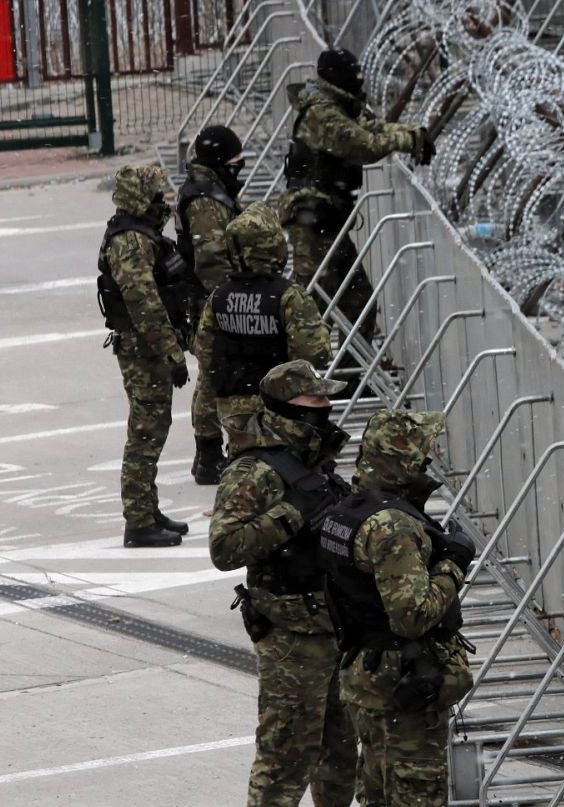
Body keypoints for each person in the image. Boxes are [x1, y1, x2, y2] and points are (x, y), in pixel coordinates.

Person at [209, 360, 357, 807]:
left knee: (342, 750)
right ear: (289, 410)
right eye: (317, 405)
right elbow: (224, 549)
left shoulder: (316, 463)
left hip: (337, 627)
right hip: (291, 635)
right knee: (286, 753)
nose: (328, 413)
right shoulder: (255, 473)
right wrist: (293, 513)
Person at [315, 410, 475, 807]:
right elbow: (413, 615)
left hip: (366, 674)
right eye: (423, 451)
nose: (431, 457)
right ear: (405, 461)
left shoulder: (350, 510)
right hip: (400, 682)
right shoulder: (392, 527)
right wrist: (452, 564)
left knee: (379, 801)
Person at [282, 47, 431, 362]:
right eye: (355, 74)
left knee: (358, 300)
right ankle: (299, 380)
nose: (360, 79)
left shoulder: (340, 103)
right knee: (312, 309)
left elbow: (374, 128)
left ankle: (347, 378)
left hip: (329, 218)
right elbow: (365, 145)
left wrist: (413, 133)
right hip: (312, 221)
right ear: (338, 77)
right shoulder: (323, 112)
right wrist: (407, 141)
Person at [96, 163, 193, 548]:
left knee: (154, 427)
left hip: (145, 347)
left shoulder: (139, 234)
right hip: (144, 350)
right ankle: (138, 521)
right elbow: (145, 305)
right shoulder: (131, 243)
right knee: (144, 434)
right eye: (155, 193)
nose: (161, 199)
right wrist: (173, 354)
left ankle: (147, 510)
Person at [199, 201, 333, 453]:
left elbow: (206, 358)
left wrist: (206, 431)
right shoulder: (288, 296)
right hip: (283, 408)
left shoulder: (218, 296)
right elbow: (315, 353)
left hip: (233, 413)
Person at [177, 124, 246, 485]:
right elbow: (211, 259)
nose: (240, 169)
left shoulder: (213, 190)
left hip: (213, 298)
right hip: (210, 302)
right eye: (235, 162)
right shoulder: (204, 200)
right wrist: (232, 300)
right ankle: (207, 455)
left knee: (217, 372)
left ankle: (213, 452)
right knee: (212, 374)